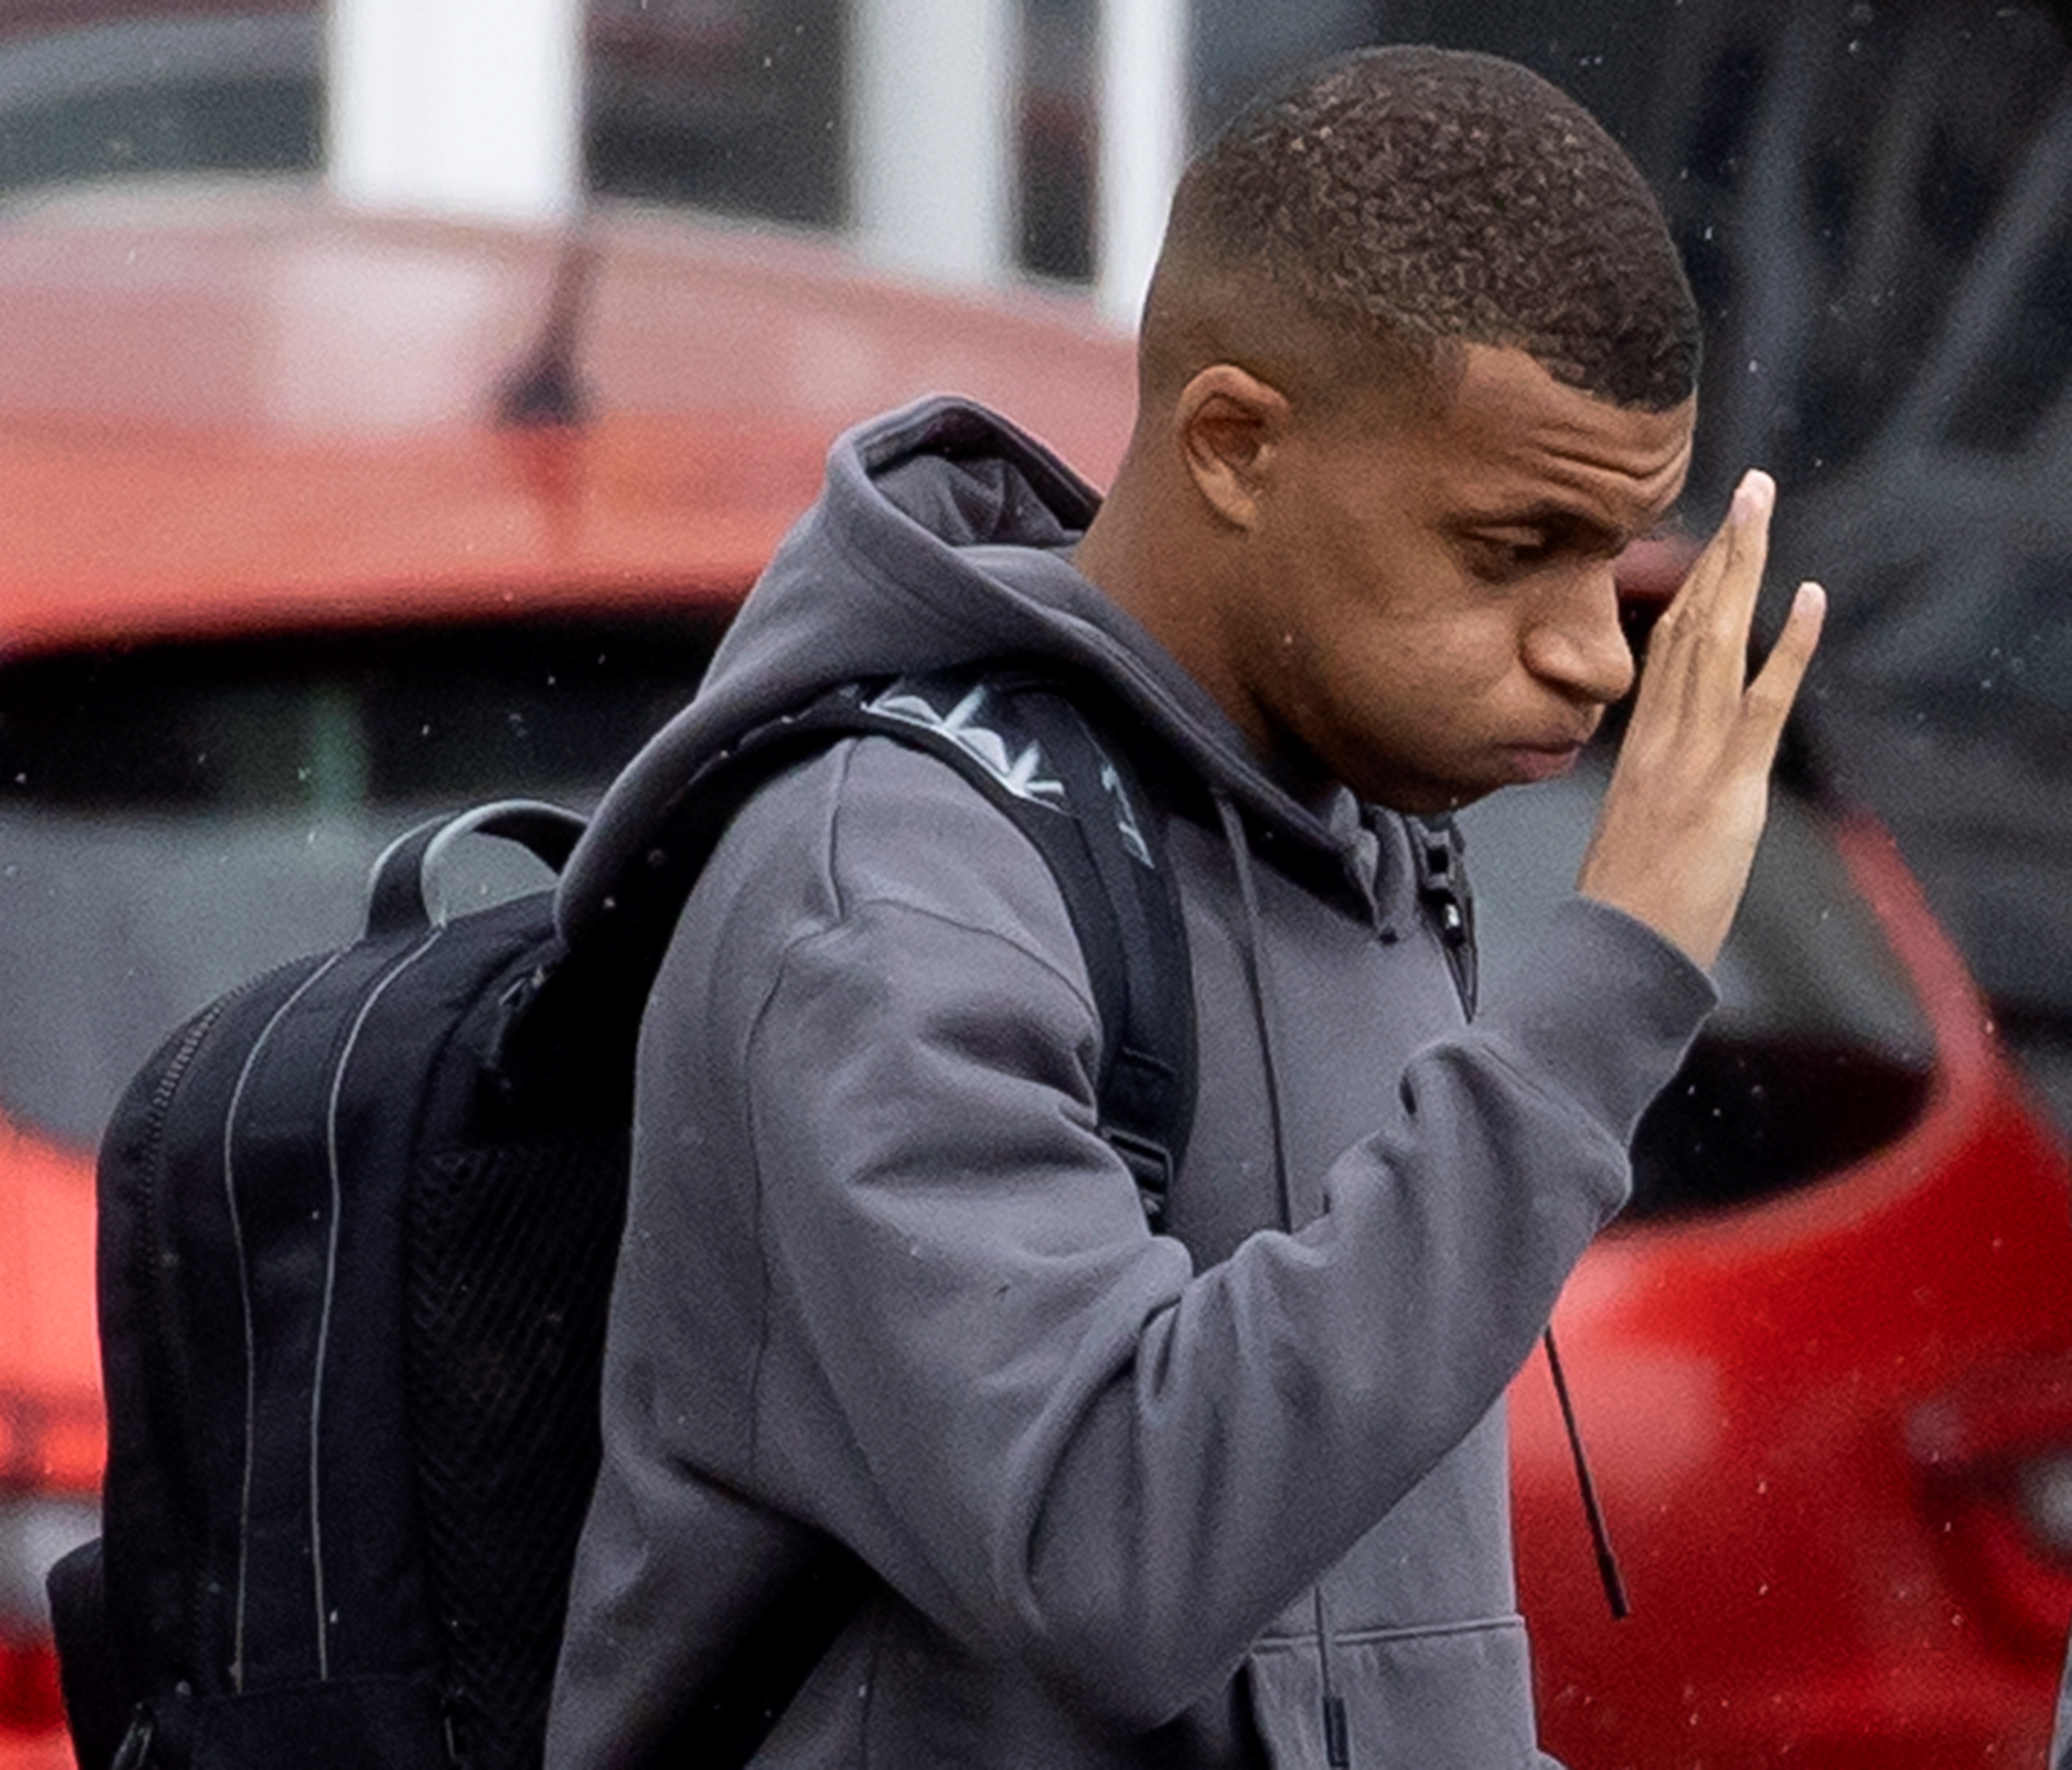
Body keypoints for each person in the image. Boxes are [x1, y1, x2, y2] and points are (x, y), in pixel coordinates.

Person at [546, 43, 1824, 1768]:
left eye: (1613, 557)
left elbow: (1368, 1639)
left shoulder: (1363, 829)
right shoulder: (891, 881)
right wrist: (1612, 991)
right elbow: (1117, 1553)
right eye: (1510, 549)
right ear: (1234, 443)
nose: (1596, 648)